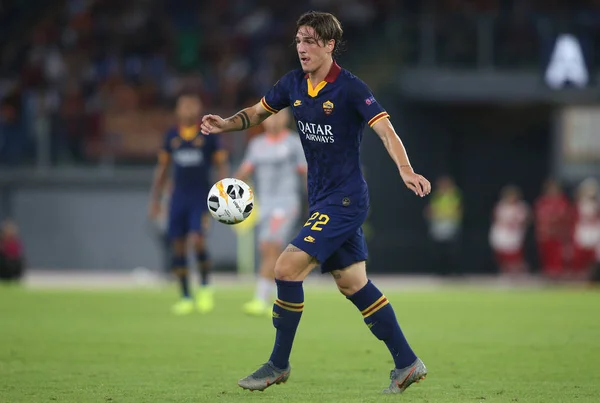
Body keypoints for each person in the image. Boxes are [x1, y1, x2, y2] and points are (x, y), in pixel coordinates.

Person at [201, 11, 431, 394]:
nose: (302, 48)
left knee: (286, 268)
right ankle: (407, 362)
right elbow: (258, 113)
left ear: (329, 45)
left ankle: (277, 364)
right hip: (322, 198)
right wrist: (227, 123)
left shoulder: (352, 89)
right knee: (353, 283)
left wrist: (405, 169)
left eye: (310, 41)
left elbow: (386, 130)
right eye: (298, 41)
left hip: (345, 199)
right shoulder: (292, 83)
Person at [149, 92, 228, 315]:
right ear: (177, 110)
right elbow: (163, 169)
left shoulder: (208, 135)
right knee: (179, 245)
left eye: (193, 106)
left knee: (198, 240)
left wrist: (223, 191)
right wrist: (155, 199)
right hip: (177, 198)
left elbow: (221, 164)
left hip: (201, 197)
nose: (189, 110)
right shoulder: (171, 136)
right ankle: (185, 295)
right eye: (185, 106)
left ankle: (204, 287)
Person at [235, 108, 307, 316]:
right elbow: (245, 172)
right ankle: (283, 300)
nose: (273, 121)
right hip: (264, 205)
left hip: (286, 203)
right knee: (267, 250)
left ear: (286, 119)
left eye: (278, 116)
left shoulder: (293, 143)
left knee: (272, 245)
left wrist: (314, 201)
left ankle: (260, 299)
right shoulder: (257, 145)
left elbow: (305, 173)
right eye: (270, 117)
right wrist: (229, 189)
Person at [424, 175, 463, 276]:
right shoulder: (437, 195)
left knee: (453, 251)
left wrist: (444, 215)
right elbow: (430, 210)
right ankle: (440, 272)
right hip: (438, 226)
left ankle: (454, 272)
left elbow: (458, 211)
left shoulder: (454, 195)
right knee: (438, 250)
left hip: (450, 225)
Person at [533, 178, 572, 279]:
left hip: (557, 235)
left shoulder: (562, 202)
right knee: (546, 257)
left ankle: (557, 278)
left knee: (557, 258)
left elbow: (566, 219)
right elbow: (539, 218)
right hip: (545, 235)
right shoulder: (542, 202)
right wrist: (540, 231)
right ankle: (549, 277)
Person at [489, 185, 530, 277]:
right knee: (501, 251)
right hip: (503, 232)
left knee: (515, 254)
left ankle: (519, 270)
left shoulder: (521, 207)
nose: (511, 198)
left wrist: (517, 225)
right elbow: (496, 218)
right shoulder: (501, 206)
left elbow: (526, 220)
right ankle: (505, 270)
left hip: (515, 232)